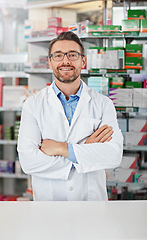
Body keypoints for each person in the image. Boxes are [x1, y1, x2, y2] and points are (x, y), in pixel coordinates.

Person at [17, 31, 123, 201]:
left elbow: (113, 155)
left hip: (91, 206)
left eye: (72, 55)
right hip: (50, 207)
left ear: (83, 61)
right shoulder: (33, 105)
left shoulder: (103, 104)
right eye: (58, 55)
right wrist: (85, 150)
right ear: (50, 63)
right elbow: (28, 162)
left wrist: (61, 148)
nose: (65, 61)